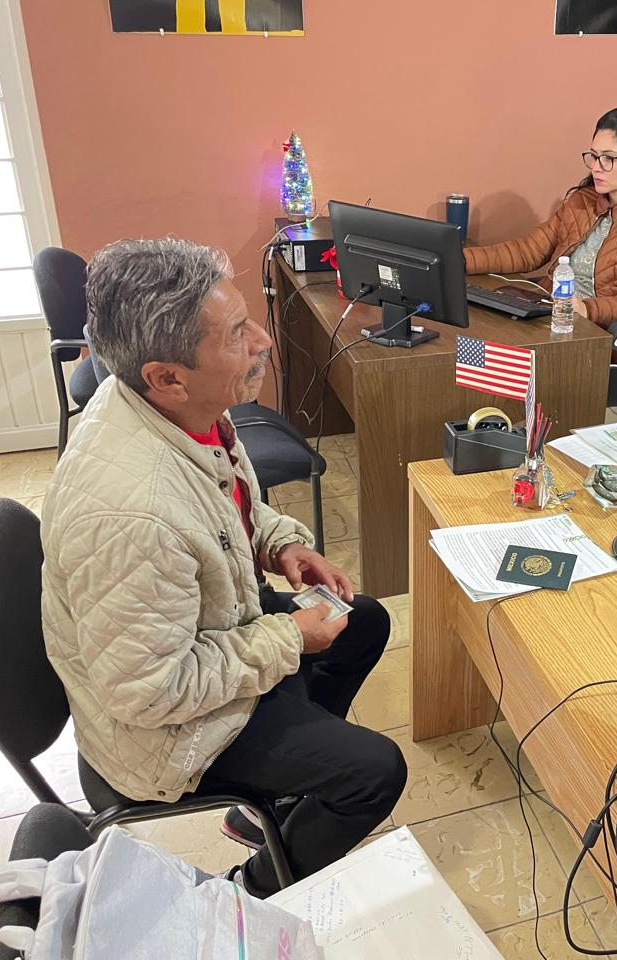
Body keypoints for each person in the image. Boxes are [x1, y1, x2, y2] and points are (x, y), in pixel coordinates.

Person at [41, 238, 406, 898]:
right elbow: (149, 693)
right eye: (237, 333)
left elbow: (225, 503)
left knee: (364, 622)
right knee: (374, 773)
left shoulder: (174, 411)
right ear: (167, 376)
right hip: (161, 735)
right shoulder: (134, 515)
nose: (261, 341)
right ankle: (247, 894)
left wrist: (280, 544)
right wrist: (288, 638)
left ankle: (277, 801)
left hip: (203, 632)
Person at [463, 106, 617, 367]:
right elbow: (527, 251)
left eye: (609, 158)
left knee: (483, 362)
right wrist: (457, 260)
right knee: (469, 342)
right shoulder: (583, 201)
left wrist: (587, 309)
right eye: (594, 156)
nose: (597, 168)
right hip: (551, 319)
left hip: (598, 338)